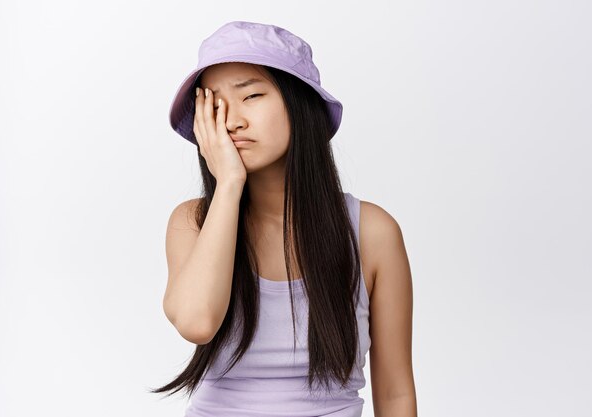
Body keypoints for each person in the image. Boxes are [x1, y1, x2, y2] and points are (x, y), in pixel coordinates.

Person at [149, 21, 417, 417]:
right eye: (215, 106)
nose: (232, 121)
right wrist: (228, 185)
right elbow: (198, 322)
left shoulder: (372, 232)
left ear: (299, 104)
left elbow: (395, 394)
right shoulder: (193, 222)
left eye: (252, 95)